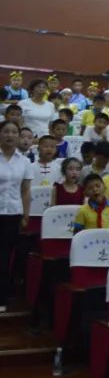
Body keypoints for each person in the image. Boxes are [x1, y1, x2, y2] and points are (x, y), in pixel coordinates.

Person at [0, 120, 32, 312]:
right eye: (6, 131)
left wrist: (26, 215)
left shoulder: (24, 161)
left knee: (4, 257)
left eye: (14, 132)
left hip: (12, 214)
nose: (10, 135)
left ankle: (2, 298)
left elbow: (26, 190)